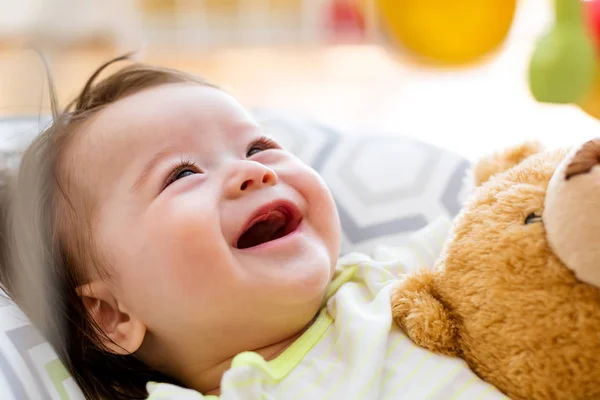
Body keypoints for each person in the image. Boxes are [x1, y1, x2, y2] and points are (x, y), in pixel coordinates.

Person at [0, 55, 506, 399]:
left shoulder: (390, 277)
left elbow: (515, 228)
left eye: (257, 147)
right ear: (110, 315)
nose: (253, 172)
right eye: (182, 174)